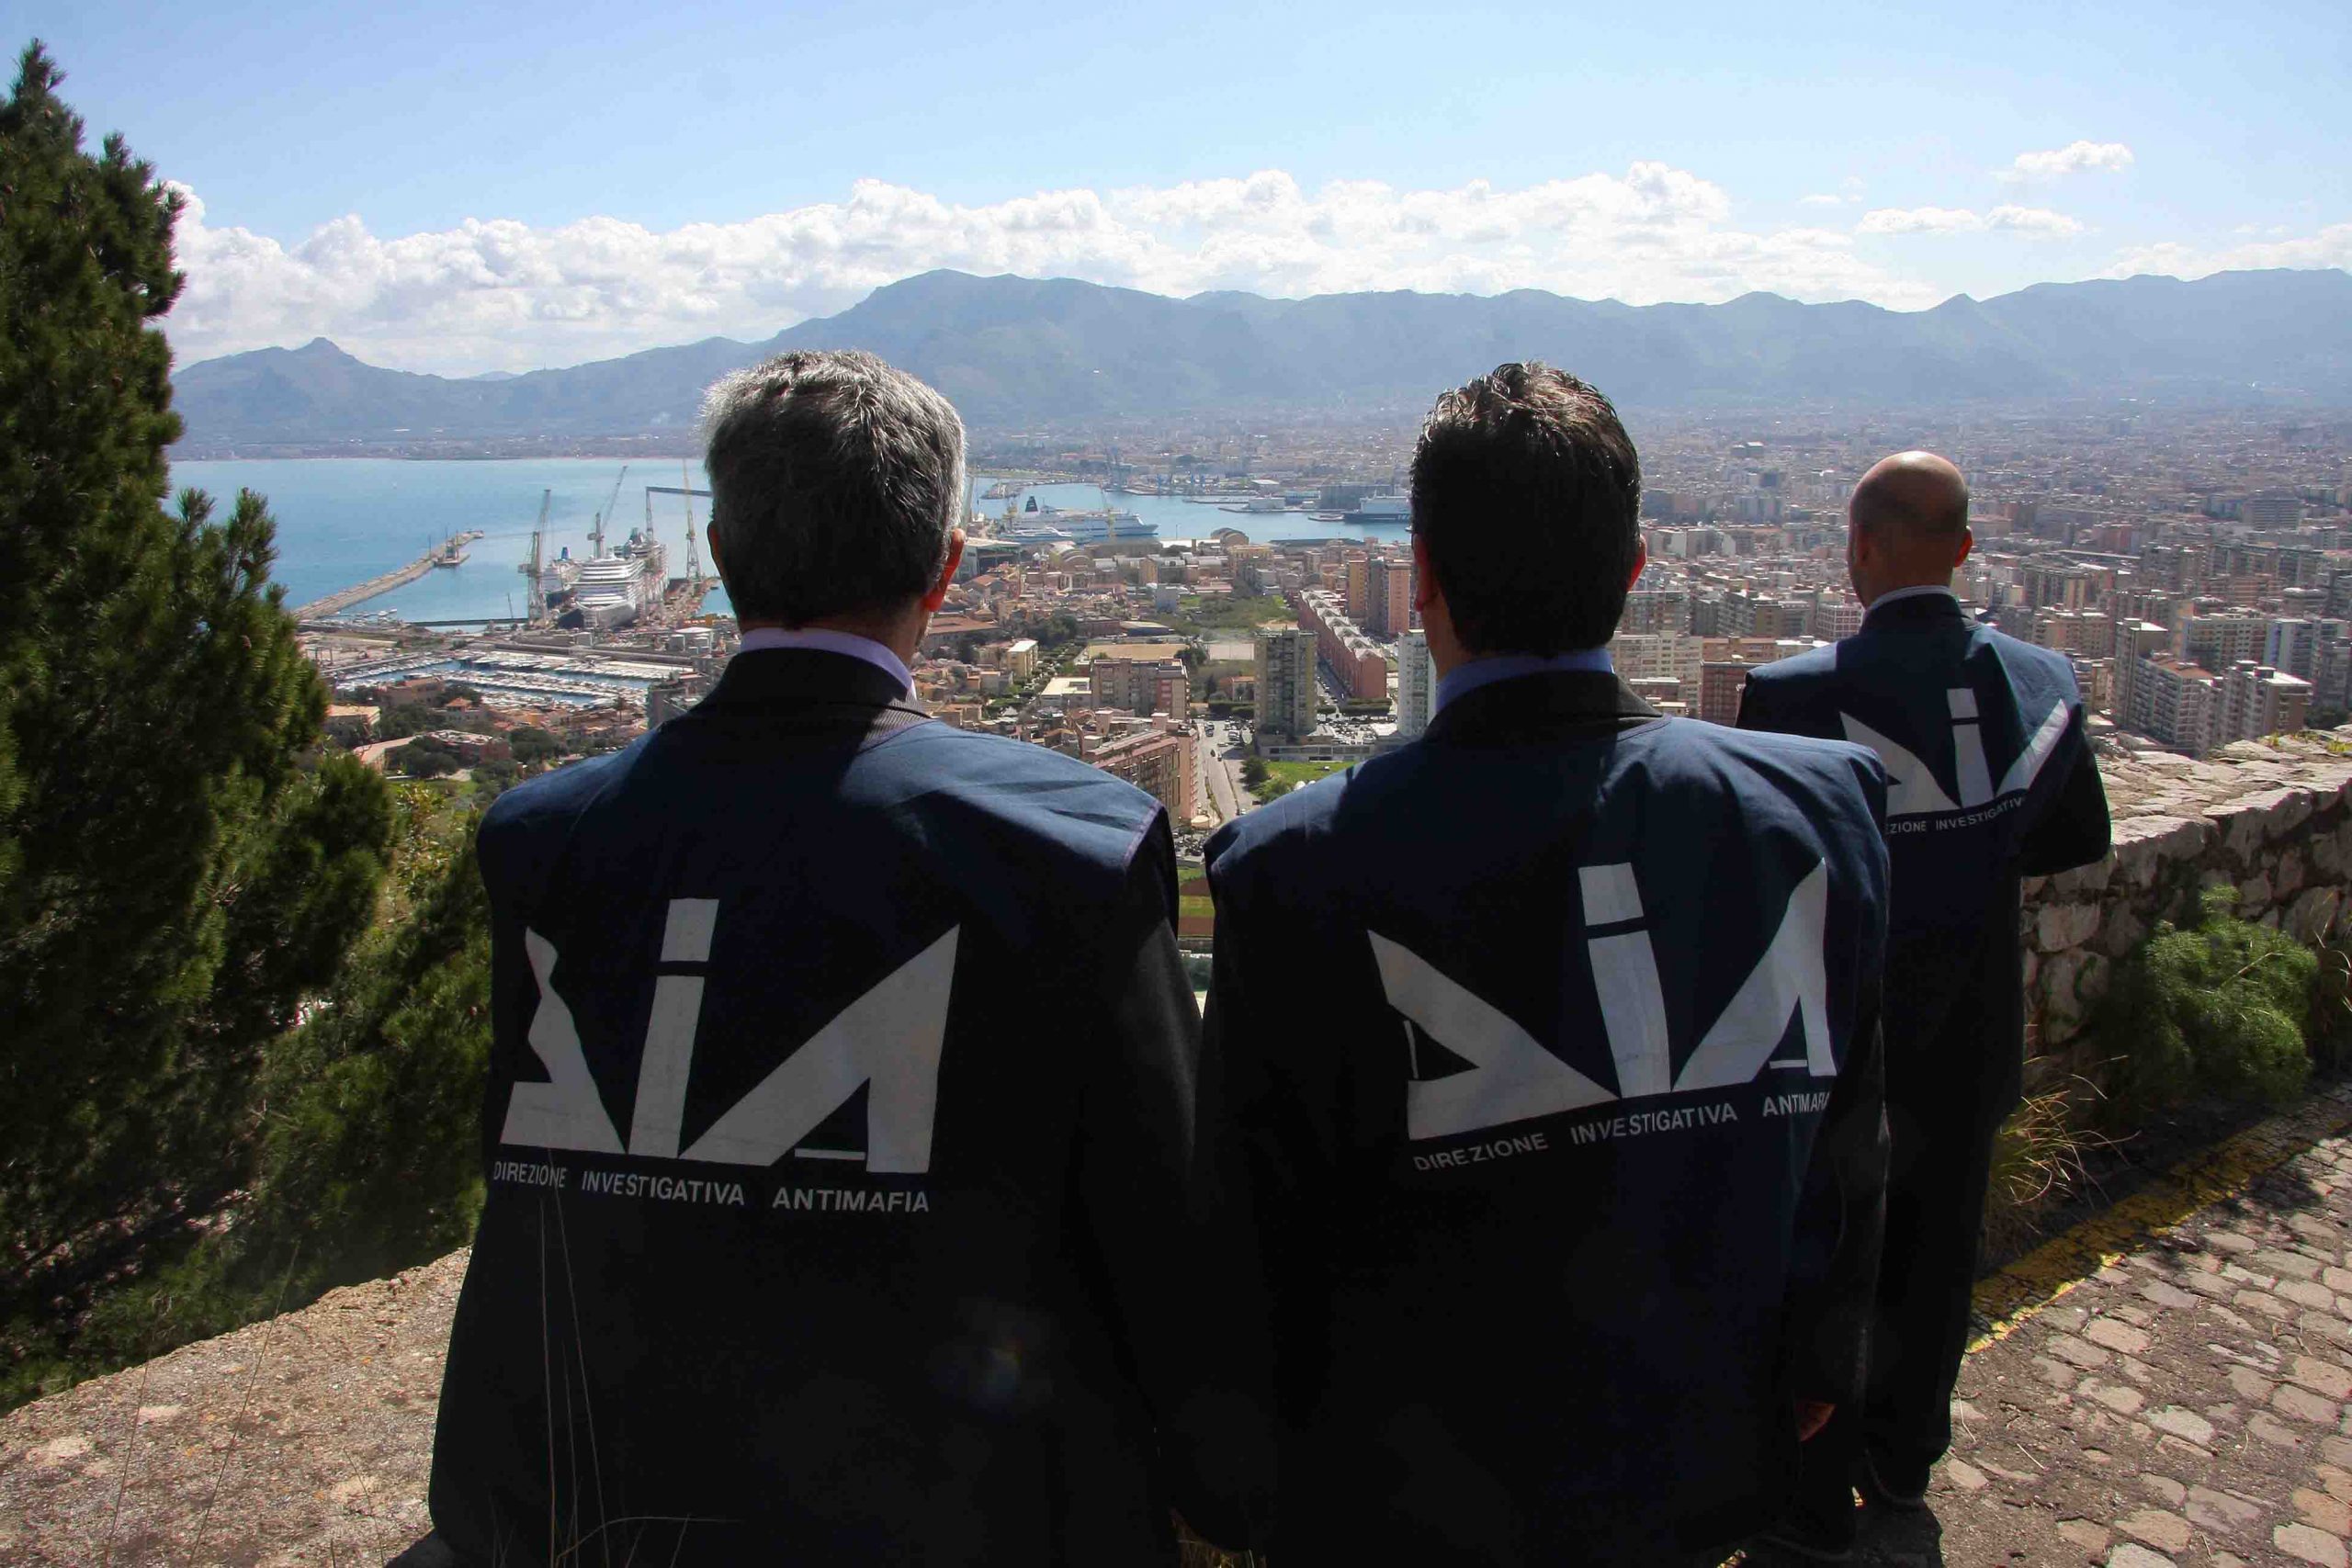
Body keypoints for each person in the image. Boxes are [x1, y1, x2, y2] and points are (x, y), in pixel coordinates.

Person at [425, 349, 1267, 1565]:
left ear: (719, 555)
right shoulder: (1064, 848)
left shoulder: (539, 840)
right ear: (947, 565)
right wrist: (1226, 1497)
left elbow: (533, 1181)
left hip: (569, 1512)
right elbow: (1167, 1244)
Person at [1204, 363, 1893, 1565]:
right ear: (1634, 569)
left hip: (1412, 1500)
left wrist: (1240, 1490)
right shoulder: (1818, 815)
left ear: (1421, 573)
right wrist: (1826, 1348)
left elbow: (1249, 1229)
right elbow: (1850, 1129)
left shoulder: (1293, 872)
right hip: (1707, 1454)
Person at [1739, 451, 2111, 1558]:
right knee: (1939, 1252)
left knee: (1825, 1257)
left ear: (1857, 547)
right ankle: (1903, 1462)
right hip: (1970, 1032)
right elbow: (2076, 836)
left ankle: (1811, 1496)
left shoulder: (1793, 696)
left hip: (1835, 1042)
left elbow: (1762, 874)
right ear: (1965, 549)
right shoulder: (2038, 685)